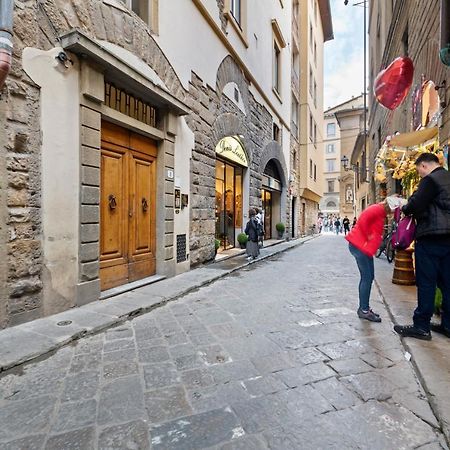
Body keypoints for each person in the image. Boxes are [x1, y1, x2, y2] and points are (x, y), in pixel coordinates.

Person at [394, 153, 450, 340]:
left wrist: (404, 207)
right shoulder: (447, 178)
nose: (420, 174)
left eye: (419, 171)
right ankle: (448, 325)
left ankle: (421, 326)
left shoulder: (430, 180)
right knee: (447, 283)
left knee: (427, 282)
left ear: (424, 166)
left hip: (431, 237)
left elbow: (415, 205)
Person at [346, 196, 403, 322]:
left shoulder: (379, 211)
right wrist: (369, 238)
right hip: (360, 246)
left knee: (369, 277)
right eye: (395, 210)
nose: (394, 213)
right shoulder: (377, 210)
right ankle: (364, 310)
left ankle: (364, 308)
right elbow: (363, 223)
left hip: (362, 247)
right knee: (366, 278)